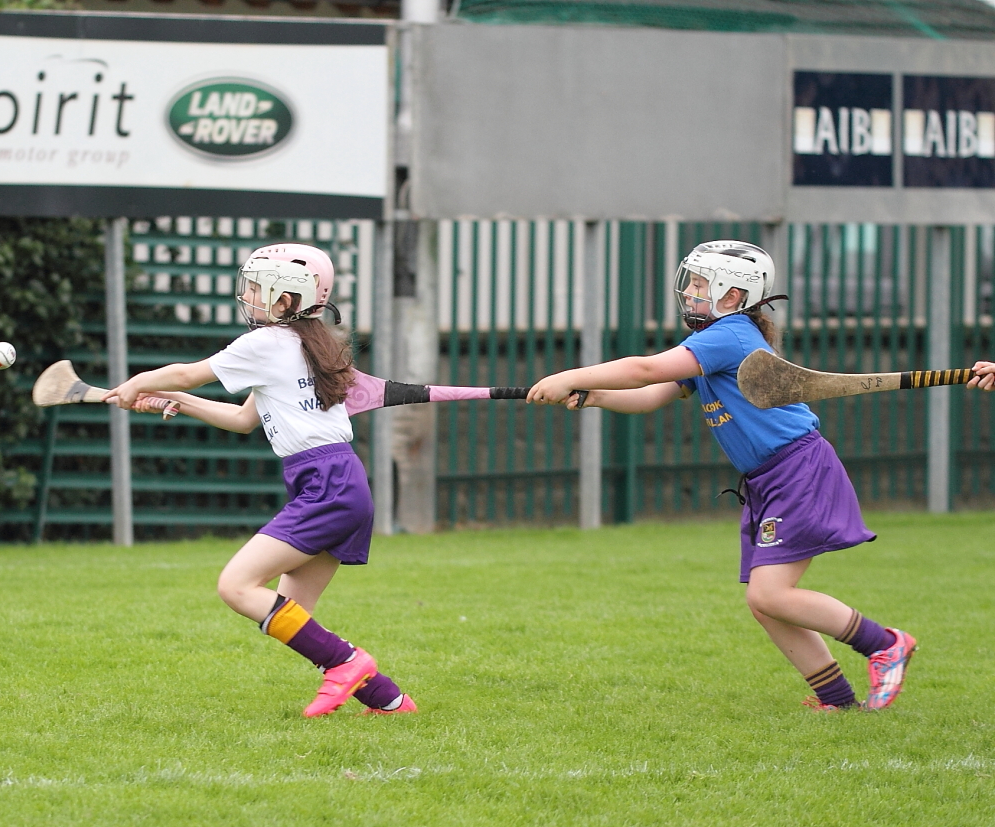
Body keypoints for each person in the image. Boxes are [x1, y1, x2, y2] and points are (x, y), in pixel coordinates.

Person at [529, 240, 995, 712]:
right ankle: (837, 699)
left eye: (699, 284)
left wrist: (572, 373)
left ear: (733, 296)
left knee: (770, 593)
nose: (689, 292)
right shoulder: (713, 343)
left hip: (798, 471)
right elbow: (651, 393)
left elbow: (645, 369)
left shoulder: (727, 335)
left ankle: (885, 643)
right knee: (764, 600)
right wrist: (592, 396)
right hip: (769, 480)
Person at [104, 243, 415, 717]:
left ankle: (349, 663)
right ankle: (388, 699)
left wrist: (140, 381)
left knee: (237, 585)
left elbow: (189, 373)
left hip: (325, 483)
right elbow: (244, 418)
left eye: (256, 287)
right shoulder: (309, 346)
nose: (246, 296)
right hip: (342, 480)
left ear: (287, 298)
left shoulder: (267, 343)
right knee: (291, 610)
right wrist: (174, 400)